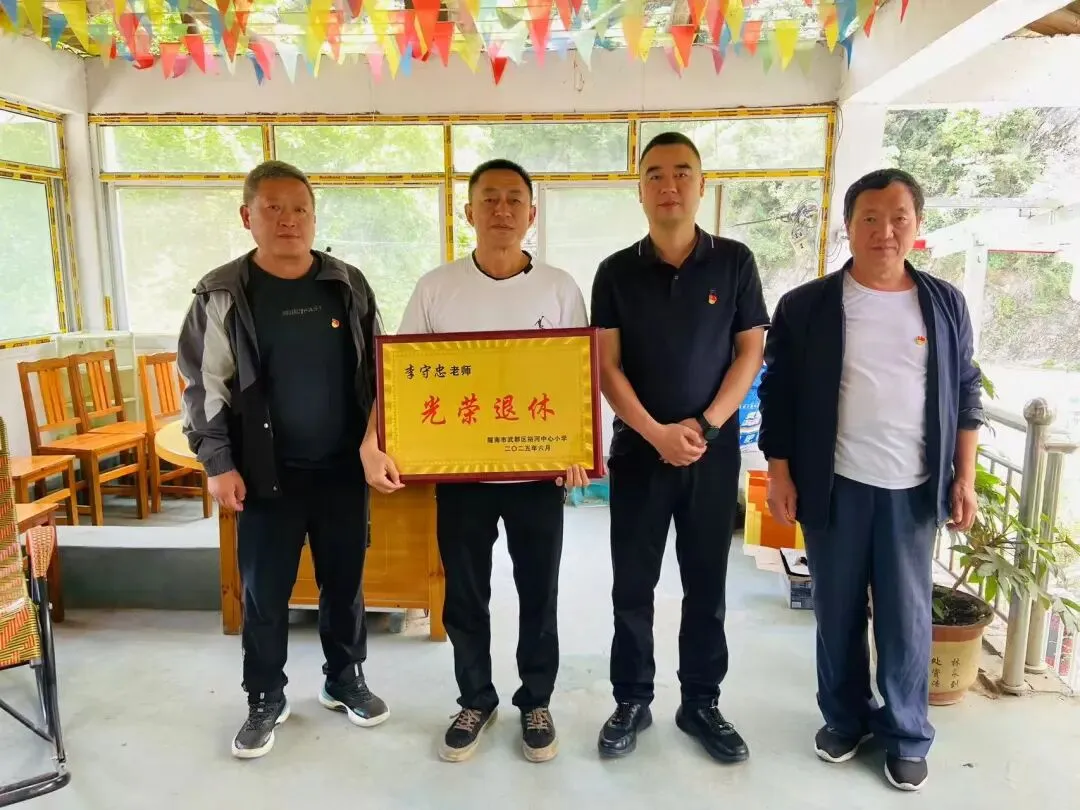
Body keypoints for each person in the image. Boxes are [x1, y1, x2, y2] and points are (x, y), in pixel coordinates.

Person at [757, 168, 983, 793]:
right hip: (835, 484)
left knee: (906, 618)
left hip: (914, 488)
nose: (885, 231)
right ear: (849, 227)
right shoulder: (807, 306)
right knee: (836, 610)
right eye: (870, 219)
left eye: (899, 218)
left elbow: (965, 389)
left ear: (918, 225)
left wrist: (964, 476)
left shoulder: (944, 303)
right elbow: (778, 394)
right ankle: (845, 719)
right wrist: (780, 472)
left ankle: (907, 732)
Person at [360, 158, 589, 764]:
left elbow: (578, 375)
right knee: (464, 595)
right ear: (468, 212)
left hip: (536, 475)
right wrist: (372, 440)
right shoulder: (437, 287)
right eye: (489, 198)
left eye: (514, 199)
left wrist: (580, 451)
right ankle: (475, 699)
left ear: (532, 214)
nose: (501, 210)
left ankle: (536, 700)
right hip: (461, 474)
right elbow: (400, 376)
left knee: (539, 592)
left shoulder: (560, 288)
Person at [178, 160, 389, 759]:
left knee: (344, 583)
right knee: (264, 592)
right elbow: (202, 386)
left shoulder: (347, 284)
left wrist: (377, 443)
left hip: (342, 471)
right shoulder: (222, 293)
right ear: (247, 216)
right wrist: (218, 463)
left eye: (300, 209)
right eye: (272, 208)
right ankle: (265, 695)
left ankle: (343, 678)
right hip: (264, 474)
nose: (288, 220)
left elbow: (381, 371)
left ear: (314, 217)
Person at [589, 132, 769, 762]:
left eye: (682, 173)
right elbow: (607, 367)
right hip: (639, 453)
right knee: (632, 586)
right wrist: (656, 433)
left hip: (711, 456)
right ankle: (632, 700)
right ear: (640, 190)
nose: (669, 185)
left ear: (701, 184)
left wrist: (706, 427)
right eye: (656, 175)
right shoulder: (615, 271)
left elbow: (750, 351)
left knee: (707, 584)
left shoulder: (735, 262)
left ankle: (701, 703)